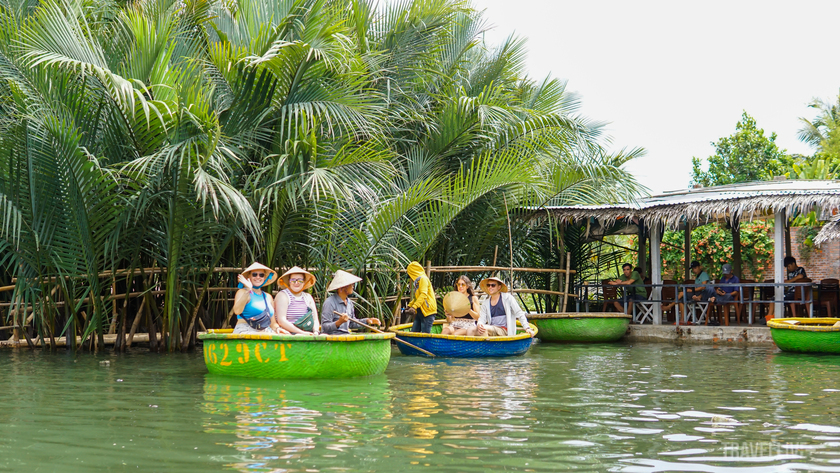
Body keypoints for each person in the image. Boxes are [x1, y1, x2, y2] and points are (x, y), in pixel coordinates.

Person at [467, 276, 535, 338]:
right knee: (471, 329)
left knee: (484, 329)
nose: (490, 287)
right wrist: (479, 324)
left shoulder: (508, 298)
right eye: (488, 285)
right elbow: (482, 319)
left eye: (493, 285)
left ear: (499, 287)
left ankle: (487, 350)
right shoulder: (486, 302)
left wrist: (527, 328)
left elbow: (519, 313)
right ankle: (470, 350)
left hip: (504, 330)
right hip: (492, 328)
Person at [232, 262, 288, 335]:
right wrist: (248, 290)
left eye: (261, 275)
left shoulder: (268, 297)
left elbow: (272, 323)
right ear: (249, 277)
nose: (258, 277)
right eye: (254, 274)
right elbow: (237, 311)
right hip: (245, 330)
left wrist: (278, 329)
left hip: (265, 331)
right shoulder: (242, 292)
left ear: (264, 278)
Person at [320, 270, 381, 335]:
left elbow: (352, 323)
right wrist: (339, 322)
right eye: (351, 284)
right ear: (341, 288)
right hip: (332, 338)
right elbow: (324, 327)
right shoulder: (330, 302)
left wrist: (367, 321)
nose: (353, 286)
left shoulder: (349, 303)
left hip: (346, 337)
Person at [274, 266, 319, 335]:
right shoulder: (283, 295)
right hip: (287, 334)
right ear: (289, 282)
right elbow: (281, 321)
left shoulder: (308, 297)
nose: (296, 282)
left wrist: (316, 332)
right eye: (293, 280)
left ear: (304, 282)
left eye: (300, 280)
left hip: (308, 333)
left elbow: (315, 319)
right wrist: (302, 333)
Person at [404, 261, 437, 333]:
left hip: (427, 311)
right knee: (414, 332)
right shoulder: (417, 282)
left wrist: (414, 307)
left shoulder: (423, 279)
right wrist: (410, 306)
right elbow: (417, 297)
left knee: (425, 335)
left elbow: (423, 295)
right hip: (421, 310)